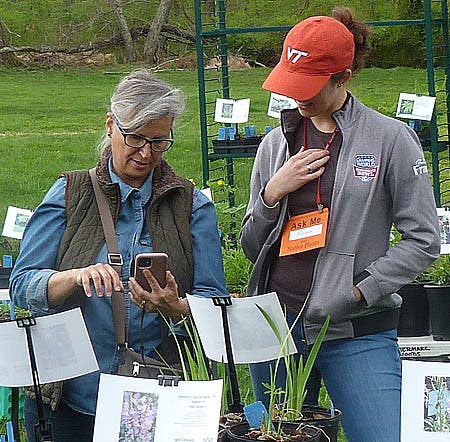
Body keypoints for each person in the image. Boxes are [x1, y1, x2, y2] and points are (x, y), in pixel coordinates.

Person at [240, 7, 440, 442]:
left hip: (355, 333)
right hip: (276, 334)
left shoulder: (390, 140)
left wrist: (360, 289)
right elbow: (253, 247)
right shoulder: (275, 145)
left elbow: (424, 239)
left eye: (310, 86)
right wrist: (272, 194)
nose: (298, 97)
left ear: (343, 76)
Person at [10, 68, 228, 442]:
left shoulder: (192, 207)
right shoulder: (70, 193)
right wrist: (74, 277)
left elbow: (215, 304)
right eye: (135, 138)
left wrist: (174, 308)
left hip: (153, 395)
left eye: (159, 142)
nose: (146, 154)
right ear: (111, 125)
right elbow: (22, 285)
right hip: (71, 398)